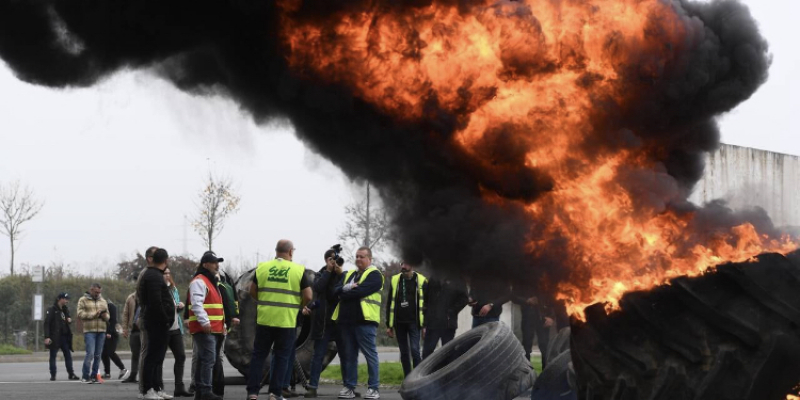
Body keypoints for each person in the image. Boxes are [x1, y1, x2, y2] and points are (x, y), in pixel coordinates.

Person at [246, 240, 312, 400]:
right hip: (286, 321)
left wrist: (264, 301)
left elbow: (252, 290)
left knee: (258, 356)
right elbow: (308, 295)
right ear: (290, 252)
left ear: (276, 251)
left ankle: (253, 393)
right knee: (281, 357)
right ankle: (274, 393)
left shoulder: (262, 268)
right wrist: (299, 306)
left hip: (265, 319)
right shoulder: (297, 270)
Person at [333, 247, 384, 400]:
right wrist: (346, 288)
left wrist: (344, 293)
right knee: (349, 356)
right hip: (346, 321)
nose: (358, 259)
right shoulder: (349, 274)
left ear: (370, 258)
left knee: (370, 355)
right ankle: (349, 387)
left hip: (365, 322)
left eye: (361, 257)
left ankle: (373, 388)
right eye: (356, 256)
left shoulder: (375, 275)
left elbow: (360, 292)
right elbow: (335, 291)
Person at [305, 248, 346, 398]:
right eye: (331, 260)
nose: (335, 263)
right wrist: (329, 271)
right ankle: (312, 387)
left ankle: (349, 387)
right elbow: (318, 287)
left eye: (336, 260)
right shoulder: (320, 274)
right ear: (326, 260)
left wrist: (339, 272)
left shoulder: (343, 275)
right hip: (323, 323)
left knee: (345, 355)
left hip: (340, 322)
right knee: (318, 355)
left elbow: (345, 289)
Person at [188, 251, 228, 400]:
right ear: (205, 264)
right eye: (214, 262)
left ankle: (201, 392)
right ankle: (205, 391)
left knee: (204, 360)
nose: (217, 265)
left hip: (214, 329)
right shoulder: (200, 281)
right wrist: (204, 322)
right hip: (205, 329)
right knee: (209, 359)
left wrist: (222, 325)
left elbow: (218, 307)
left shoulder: (210, 281)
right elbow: (197, 304)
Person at [137, 248, 176, 400]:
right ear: (165, 260)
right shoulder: (153, 276)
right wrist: (165, 319)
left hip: (160, 323)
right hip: (156, 323)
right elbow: (155, 301)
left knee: (158, 358)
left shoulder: (156, 275)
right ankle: (148, 390)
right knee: (152, 357)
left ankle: (157, 387)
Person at [385, 261, 427, 377]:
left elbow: (427, 304)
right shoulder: (395, 280)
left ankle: (417, 378)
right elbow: (389, 303)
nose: (403, 267)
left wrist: (425, 325)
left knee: (415, 350)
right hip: (399, 322)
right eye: (402, 264)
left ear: (412, 265)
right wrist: (389, 325)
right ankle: (407, 379)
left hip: (415, 322)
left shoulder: (422, 280)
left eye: (406, 264)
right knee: (404, 352)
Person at [421, 274, 468, 359]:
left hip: (448, 324)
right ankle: (426, 372)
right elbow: (426, 301)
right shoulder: (433, 278)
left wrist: (451, 311)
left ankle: (447, 372)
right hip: (432, 324)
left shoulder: (458, 280)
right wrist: (424, 324)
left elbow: (464, 299)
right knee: (427, 352)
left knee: (448, 354)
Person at [163, 267, 191, 397]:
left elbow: (175, 311)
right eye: (164, 273)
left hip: (175, 327)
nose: (167, 275)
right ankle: (157, 388)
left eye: (169, 273)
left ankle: (179, 387)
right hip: (163, 329)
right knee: (158, 359)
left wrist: (180, 306)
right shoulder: (159, 289)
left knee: (181, 356)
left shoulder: (173, 289)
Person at [511, 286, 554, 368]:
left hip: (544, 317)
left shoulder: (547, 277)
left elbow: (555, 297)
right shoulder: (522, 279)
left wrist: (551, 317)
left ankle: (545, 374)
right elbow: (513, 296)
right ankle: (527, 373)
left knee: (545, 347)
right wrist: (526, 300)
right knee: (526, 347)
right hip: (528, 317)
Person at [77, 283, 110, 384]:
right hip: (89, 330)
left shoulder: (103, 301)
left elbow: (108, 316)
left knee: (98, 355)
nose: (98, 294)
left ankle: (94, 375)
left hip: (101, 330)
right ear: (91, 290)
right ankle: (85, 376)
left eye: (99, 292)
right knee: (90, 353)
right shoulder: (83, 300)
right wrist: (93, 315)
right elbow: (80, 313)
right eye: (96, 292)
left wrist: (105, 316)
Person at [44, 292, 79, 381]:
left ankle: (71, 373)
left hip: (64, 336)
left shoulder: (65, 310)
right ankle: (53, 374)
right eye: (65, 299)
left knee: (67, 355)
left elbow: (67, 320)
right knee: (53, 356)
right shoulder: (52, 310)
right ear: (60, 299)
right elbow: (47, 323)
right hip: (55, 337)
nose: (67, 301)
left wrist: (69, 320)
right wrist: (47, 337)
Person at [101, 299, 129, 380]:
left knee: (110, 352)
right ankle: (107, 373)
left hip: (112, 333)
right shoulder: (102, 306)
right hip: (106, 332)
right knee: (104, 353)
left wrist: (109, 332)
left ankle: (123, 368)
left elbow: (113, 320)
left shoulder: (111, 306)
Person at [121, 291, 139, 383]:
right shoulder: (131, 297)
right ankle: (133, 375)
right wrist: (124, 328)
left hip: (146, 330)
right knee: (135, 354)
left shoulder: (149, 295)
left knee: (146, 355)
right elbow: (125, 314)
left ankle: (146, 377)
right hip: (134, 330)